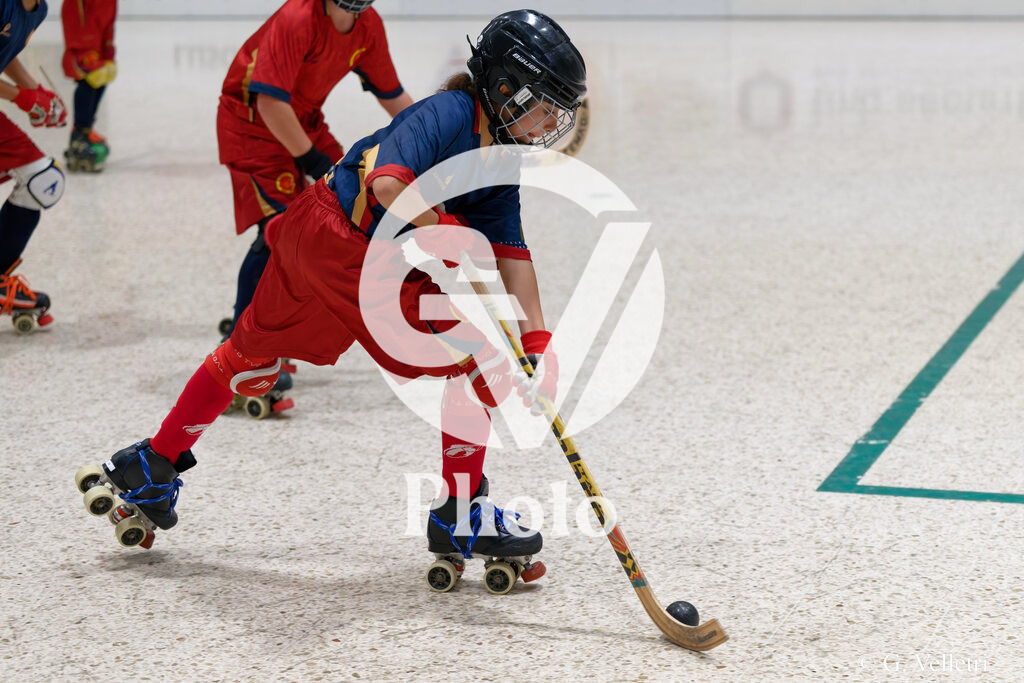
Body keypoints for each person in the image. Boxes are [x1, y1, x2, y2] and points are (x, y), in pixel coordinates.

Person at [78, 10, 586, 591]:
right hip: (356, 249)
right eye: (544, 103)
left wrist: (538, 343)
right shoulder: (448, 113)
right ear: (502, 87)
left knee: (246, 354)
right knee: (475, 361)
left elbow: (513, 257)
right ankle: (462, 514)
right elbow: (389, 185)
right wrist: (441, 229)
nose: (551, 121)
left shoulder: (498, 165)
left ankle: (151, 465)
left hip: (312, 229)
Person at [217, 0, 413, 394]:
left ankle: (274, 326)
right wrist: (315, 160)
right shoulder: (297, 18)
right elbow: (268, 101)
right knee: (280, 231)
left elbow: (398, 101)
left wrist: (442, 147)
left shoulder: (368, 26)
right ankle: (241, 356)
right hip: (252, 124)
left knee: (339, 221)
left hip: (302, 120)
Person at [0, 0, 66, 332]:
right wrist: (23, 98)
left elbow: (4, 51)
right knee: (40, 177)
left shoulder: (36, 10)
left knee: (42, 179)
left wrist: (36, 93)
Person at [61, 0, 117, 172]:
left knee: (106, 68)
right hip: (84, 9)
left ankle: (85, 131)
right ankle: (79, 133)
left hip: (105, 6)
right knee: (90, 71)